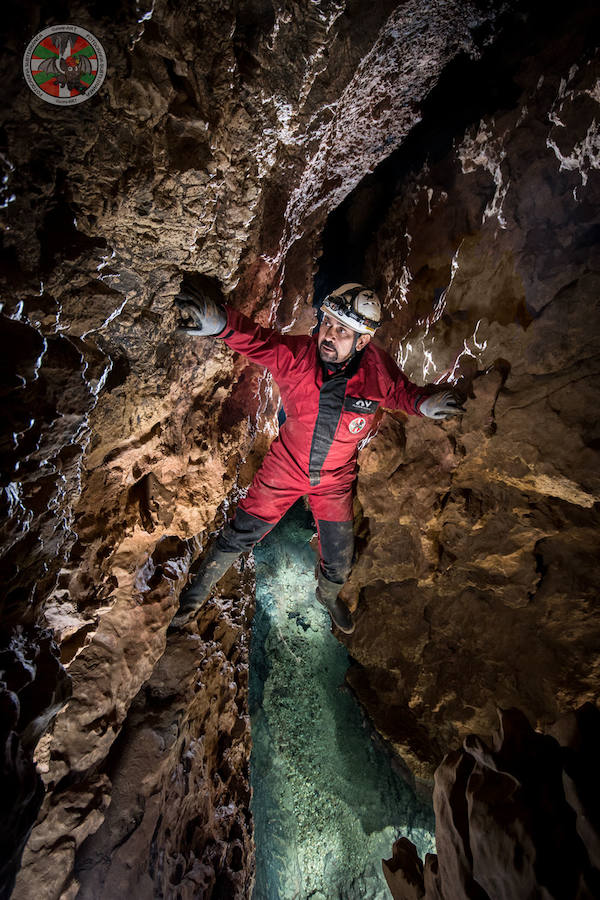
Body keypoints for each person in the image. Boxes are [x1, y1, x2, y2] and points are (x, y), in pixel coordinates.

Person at [170, 280, 464, 634]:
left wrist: (424, 403)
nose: (329, 335)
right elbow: (259, 340)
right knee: (239, 535)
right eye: (327, 323)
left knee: (340, 562)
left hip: (335, 479)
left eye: (343, 331)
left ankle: (328, 596)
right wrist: (219, 323)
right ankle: (190, 604)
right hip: (287, 467)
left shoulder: (375, 369)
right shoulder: (297, 357)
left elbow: (400, 393)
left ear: (363, 341)